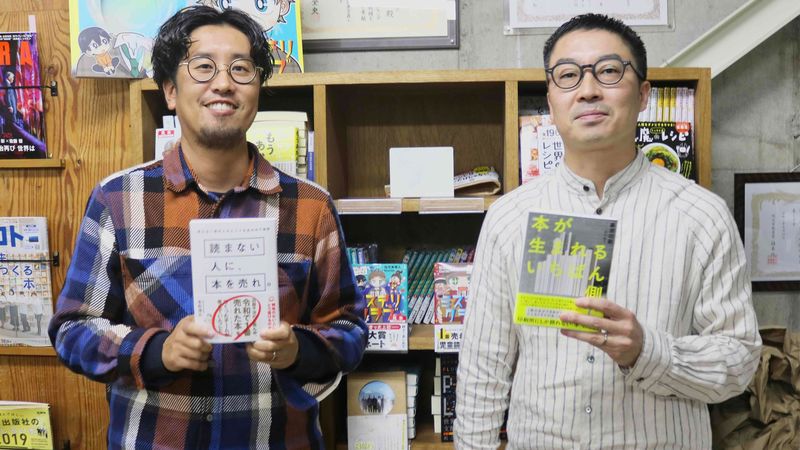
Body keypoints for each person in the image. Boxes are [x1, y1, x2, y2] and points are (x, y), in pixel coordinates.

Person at [49, 6, 367, 449]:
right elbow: (72, 329)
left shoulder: (311, 206)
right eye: (203, 67)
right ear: (170, 90)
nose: (223, 83)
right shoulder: (118, 199)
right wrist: (156, 351)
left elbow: (350, 330)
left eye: (241, 69)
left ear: (258, 89)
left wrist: (298, 349)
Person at [455, 13, 761, 449]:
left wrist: (647, 351)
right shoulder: (510, 217)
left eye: (609, 71)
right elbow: (483, 369)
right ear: (551, 100)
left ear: (643, 95)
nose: (588, 89)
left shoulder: (702, 216)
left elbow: (739, 361)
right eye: (568, 75)